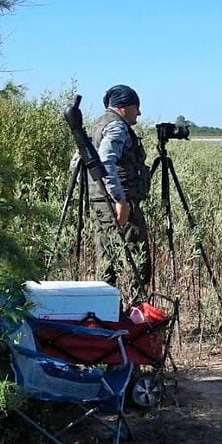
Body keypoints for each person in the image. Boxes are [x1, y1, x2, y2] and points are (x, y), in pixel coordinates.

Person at [86, 84, 152, 293]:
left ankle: (105, 313)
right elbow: (106, 161)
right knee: (138, 260)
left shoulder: (97, 125)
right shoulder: (116, 127)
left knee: (106, 260)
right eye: (136, 107)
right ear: (123, 108)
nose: (139, 113)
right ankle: (136, 311)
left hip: (99, 202)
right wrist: (119, 199)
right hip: (117, 204)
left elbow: (77, 162)